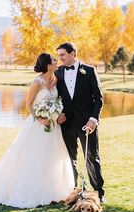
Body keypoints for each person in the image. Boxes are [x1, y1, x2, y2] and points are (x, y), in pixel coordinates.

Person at [0, 53, 74, 208]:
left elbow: (56, 102)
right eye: (54, 60)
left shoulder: (56, 79)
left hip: (53, 126)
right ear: (48, 65)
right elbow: (29, 104)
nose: (58, 61)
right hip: (38, 125)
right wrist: (40, 118)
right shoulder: (37, 82)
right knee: (35, 156)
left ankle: (51, 190)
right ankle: (32, 190)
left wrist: (56, 115)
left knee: (52, 155)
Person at [55, 43, 105, 202]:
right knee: (69, 158)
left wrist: (93, 120)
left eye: (62, 55)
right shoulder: (58, 73)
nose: (60, 58)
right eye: (59, 55)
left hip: (86, 123)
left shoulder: (89, 71)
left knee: (91, 156)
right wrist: (58, 114)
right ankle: (73, 192)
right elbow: (55, 98)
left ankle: (98, 193)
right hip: (66, 123)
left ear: (73, 54)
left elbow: (99, 98)